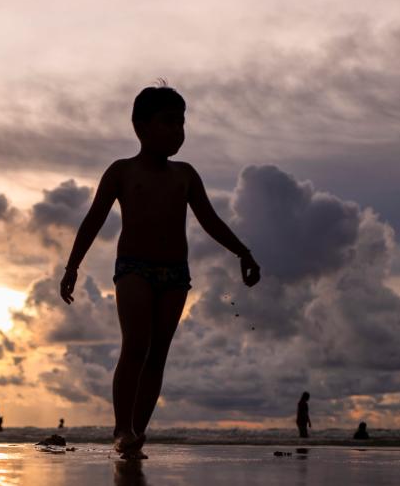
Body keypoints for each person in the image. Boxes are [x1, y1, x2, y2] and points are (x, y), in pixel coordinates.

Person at [60, 83, 260, 459]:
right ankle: (122, 428)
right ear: (140, 127)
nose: (177, 131)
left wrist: (243, 252)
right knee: (136, 345)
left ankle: (137, 431)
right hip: (133, 269)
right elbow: (93, 220)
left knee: (158, 353)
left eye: (181, 123)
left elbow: (210, 220)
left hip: (175, 275)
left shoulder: (185, 175)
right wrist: (73, 265)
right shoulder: (121, 171)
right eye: (168, 122)